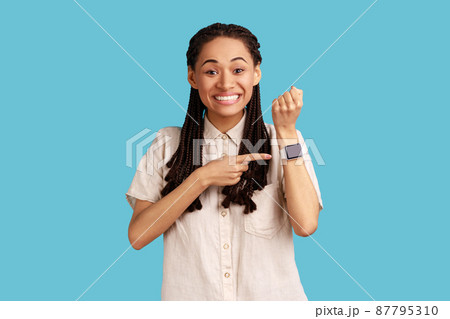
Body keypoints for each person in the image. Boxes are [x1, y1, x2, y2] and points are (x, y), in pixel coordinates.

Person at [125, 22, 324, 301]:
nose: (226, 83)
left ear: (256, 74)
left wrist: (288, 133)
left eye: (238, 69)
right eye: (211, 71)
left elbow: (305, 225)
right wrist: (201, 178)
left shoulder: (285, 139)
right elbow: (138, 236)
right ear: (193, 78)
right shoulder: (167, 143)